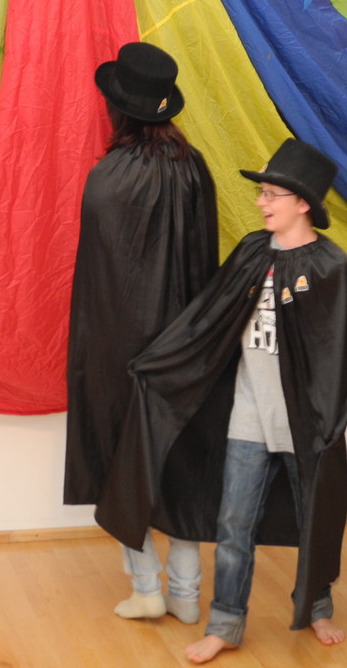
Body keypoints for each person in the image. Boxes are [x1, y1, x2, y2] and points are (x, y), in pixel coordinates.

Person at [94, 138, 347, 662]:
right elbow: (207, 318)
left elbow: (339, 350)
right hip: (248, 414)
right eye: (261, 193)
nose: (261, 203)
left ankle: (317, 607)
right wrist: (159, 364)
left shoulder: (330, 266)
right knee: (233, 526)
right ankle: (225, 624)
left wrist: (327, 424)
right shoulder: (252, 253)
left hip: (303, 423)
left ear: (302, 202)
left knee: (315, 518)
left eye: (272, 195)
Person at [63, 42, 219, 625]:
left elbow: (100, 283)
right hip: (185, 348)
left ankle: (147, 588)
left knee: (120, 462)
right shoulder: (195, 169)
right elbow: (205, 263)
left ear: (118, 109)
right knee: (183, 460)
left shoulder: (105, 180)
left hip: (118, 354)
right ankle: (187, 595)